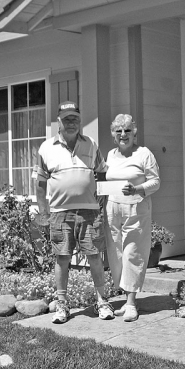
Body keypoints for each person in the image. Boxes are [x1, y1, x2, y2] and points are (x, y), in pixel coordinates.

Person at [32, 101, 114, 324]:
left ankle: (102, 302)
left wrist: (101, 199)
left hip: (89, 211)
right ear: (58, 122)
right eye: (66, 118)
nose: (71, 122)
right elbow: (40, 183)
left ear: (80, 121)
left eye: (74, 118)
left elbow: (102, 174)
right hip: (59, 213)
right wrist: (43, 212)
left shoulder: (91, 144)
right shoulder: (46, 148)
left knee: (95, 256)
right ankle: (62, 305)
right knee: (62, 258)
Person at [104, 114, 160, 322]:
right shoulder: (110, 155)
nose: (123, 134)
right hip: (112, 208)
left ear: (134, 132)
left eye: (127, 130)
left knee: (133, 253)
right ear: (113, 134)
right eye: (118, 130)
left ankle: (131, 303)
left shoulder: (144, 154)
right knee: (116, 253)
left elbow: (155, 182)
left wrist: (137, 188)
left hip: (136, 207)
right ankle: (123, 300)